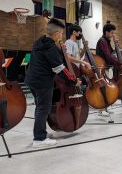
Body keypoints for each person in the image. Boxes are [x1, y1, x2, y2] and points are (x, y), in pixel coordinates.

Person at [25, 18, 81, 148]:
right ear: (57, 34)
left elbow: (53, 57)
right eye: (61, 33)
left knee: (40, 107)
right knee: (43, 108)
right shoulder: (50, 46)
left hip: (31, 80)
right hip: (42, 82)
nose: (61, 36)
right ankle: (39, 138)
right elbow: (59, 68)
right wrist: (73, 81)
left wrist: (62, 50)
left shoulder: (40, 41)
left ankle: (39, 133)